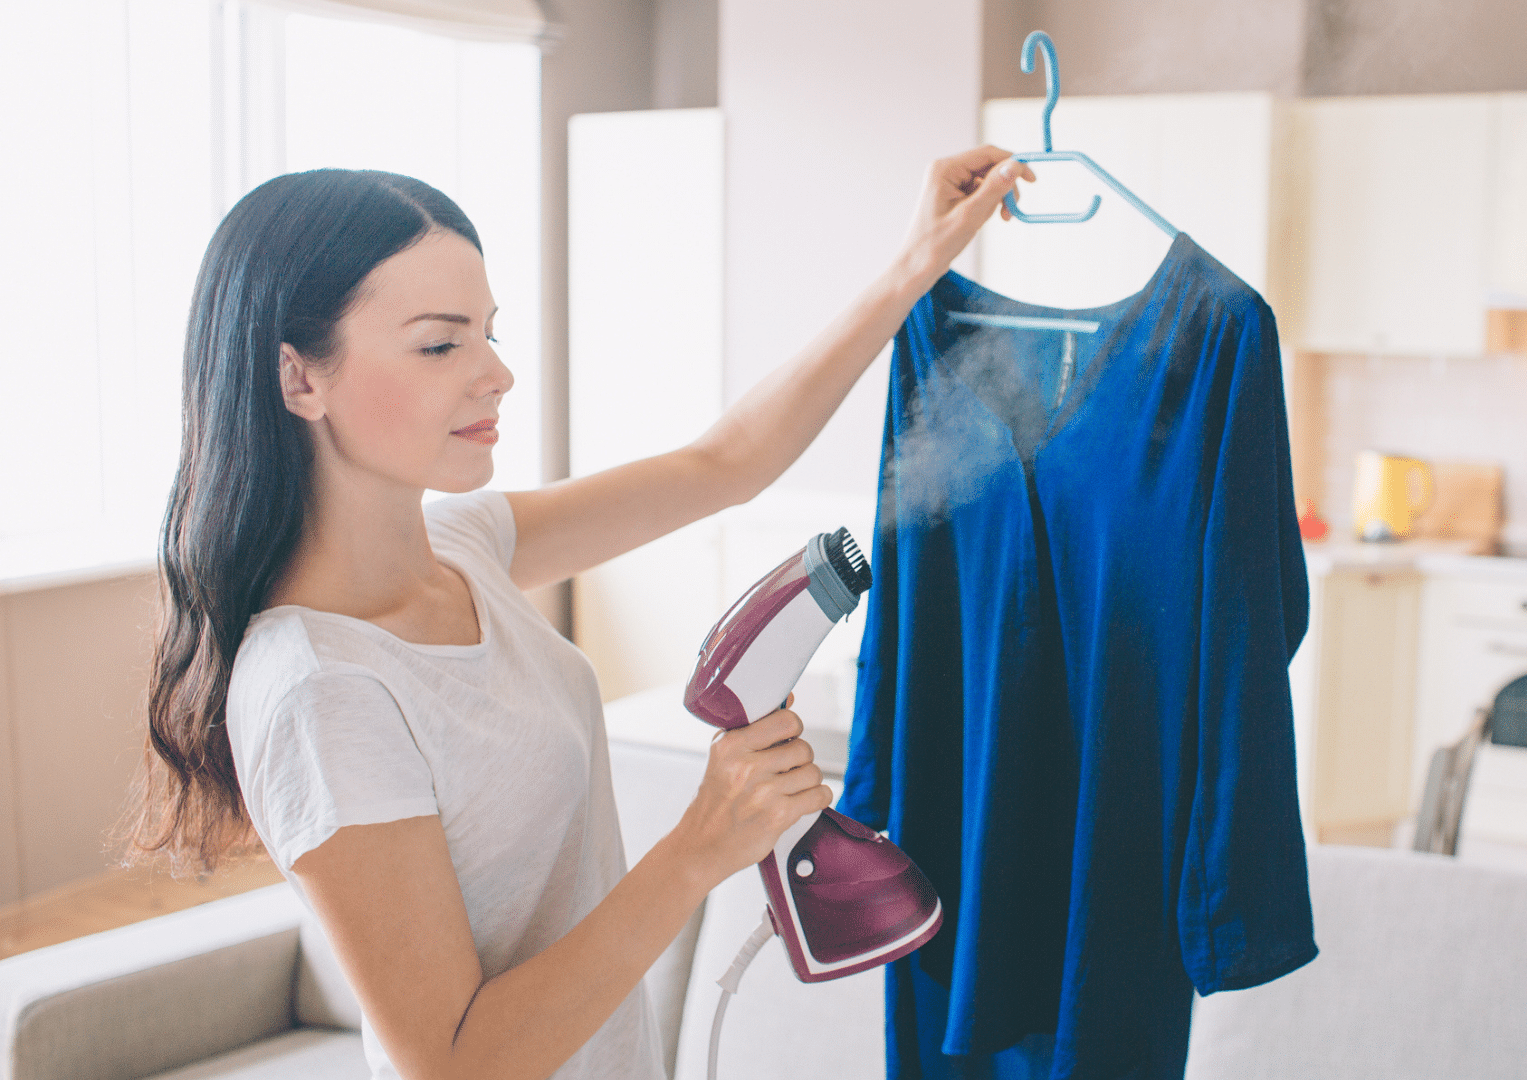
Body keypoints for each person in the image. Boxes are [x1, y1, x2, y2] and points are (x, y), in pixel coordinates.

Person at [125, 146, 1036, 1080]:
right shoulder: (320, 691)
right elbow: (449, 1061)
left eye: (489, 333)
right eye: (442, 344)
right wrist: (698, 849)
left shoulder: (467, 548)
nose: (496, 374)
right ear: (298, 379)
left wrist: (915, 262)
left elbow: (723, 464)